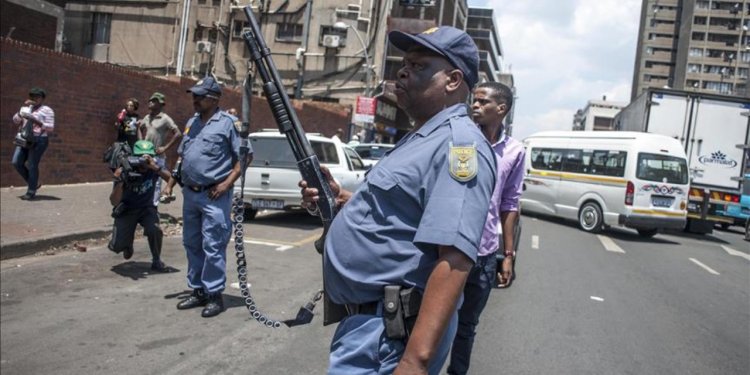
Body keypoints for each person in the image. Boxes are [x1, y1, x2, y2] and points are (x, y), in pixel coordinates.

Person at [299, 26, 496, 374]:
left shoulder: (459, 145)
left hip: (389, 338)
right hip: (370, 328)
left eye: (419, 66)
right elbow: (400, 214)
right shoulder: (422, 135)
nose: (402, 71)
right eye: (404, 63)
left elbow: (454, 258)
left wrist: (413, 362)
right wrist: (339, 199)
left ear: (452, 80)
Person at [447, 81, 525, 375]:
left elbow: (510, 205)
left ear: (501, 109)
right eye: (474, 101)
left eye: (482, 102)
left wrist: (508, 256)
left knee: (467, 326)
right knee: (434, 320)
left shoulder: (515, 151)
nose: (475, 106)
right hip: (451, 247)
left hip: (485, 253)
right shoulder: (460, 140)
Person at [162, 77, 243, 318]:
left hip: (214, 195)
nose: (194, 100)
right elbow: (182, 157)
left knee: (213, 245)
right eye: (193, 95)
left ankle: (214, 294)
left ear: (213, 98)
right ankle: (198, 290)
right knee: (192, 243)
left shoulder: (229, 124)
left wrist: (226, 184)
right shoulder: (191, 123)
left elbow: (243, 158)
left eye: (199, 96)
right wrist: (170, 184)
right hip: (191, 194)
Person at [108, 140, 173, 271]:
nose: (143, 161)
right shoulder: (125, 169)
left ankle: (156, 260)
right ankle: (127, 244)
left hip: (146, 208)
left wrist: (155, 167)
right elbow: (114, 201)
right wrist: (119, 182)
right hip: (127, 208)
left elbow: (171, 179)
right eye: (140, 157)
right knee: (117, 247)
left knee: (155, 229)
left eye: (147, 156)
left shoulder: (153, 168)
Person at [11, 87, 55, 200]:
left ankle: (31, 191)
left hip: (39, 140)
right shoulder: (25, 108)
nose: (35, 99)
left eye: (37, 97)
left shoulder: (47, 110)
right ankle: (34, 183)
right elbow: (15, 121)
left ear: (42, 98)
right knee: (16, 162)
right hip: (24, 139)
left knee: (32, 164)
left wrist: (35, 120)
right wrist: (20, 114)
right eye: (32, 96)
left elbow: (50, 128)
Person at [138, 92, 181, 205]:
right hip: (145, 154)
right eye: (150, 100)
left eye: (154, 101)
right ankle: (144, 206)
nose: (150, 102)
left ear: (161, 104)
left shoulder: (165, 118)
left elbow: (177, 133)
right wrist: (140, 143)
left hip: (157, 156)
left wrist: (165, 148)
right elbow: (140, 128)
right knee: (144, 181)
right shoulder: (147, 117)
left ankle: (154, 207)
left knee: (156, 182)